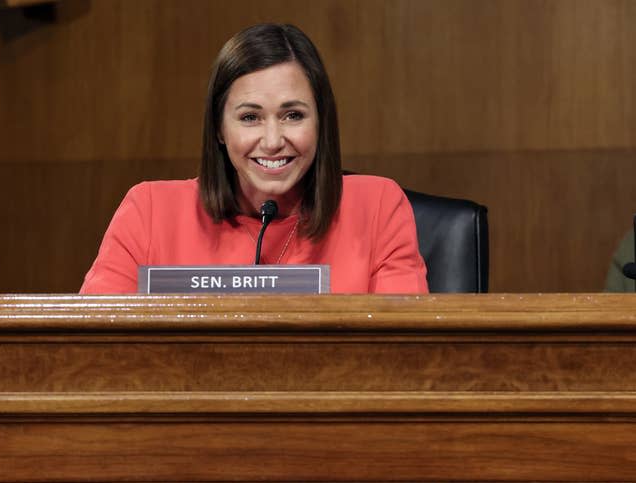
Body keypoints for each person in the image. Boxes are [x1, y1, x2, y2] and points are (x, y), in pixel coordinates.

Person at [80, 23, 428, 294]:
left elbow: (404, 356)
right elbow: (92, 350)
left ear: (322, 122)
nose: (273, 141)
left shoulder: (378, 207)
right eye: (250, 117)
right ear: (219, 128)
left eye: (293, 115)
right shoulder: (150, 212)